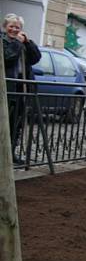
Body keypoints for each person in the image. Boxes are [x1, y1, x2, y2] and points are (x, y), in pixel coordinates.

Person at [2, 13, 41, 164]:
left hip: (21, 88)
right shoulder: (3, 41)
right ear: (5, 27)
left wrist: (28, 42)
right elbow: (8, 58)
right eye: (11, 26)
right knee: (4, 124)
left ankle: (10, 154)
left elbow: (36, 58)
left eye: (17, 27)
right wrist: (17, 43)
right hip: (6, 88)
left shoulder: (23, 42)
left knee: (16, 124)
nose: (14, 30)